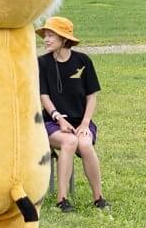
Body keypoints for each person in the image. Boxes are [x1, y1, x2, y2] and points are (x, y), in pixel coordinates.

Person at [37, 16, 108, 212]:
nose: (46, 39)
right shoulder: (42, 63)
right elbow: (43, 96)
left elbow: (91, 96)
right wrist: (58, 118)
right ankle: (62, 200)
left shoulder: (83, 61)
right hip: (52, 121)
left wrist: (85, 124)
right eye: (46, 35)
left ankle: (99, 198)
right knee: (69, 142)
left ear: (64, 39)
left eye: (51, 36)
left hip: (80, 121)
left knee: (84, 143)